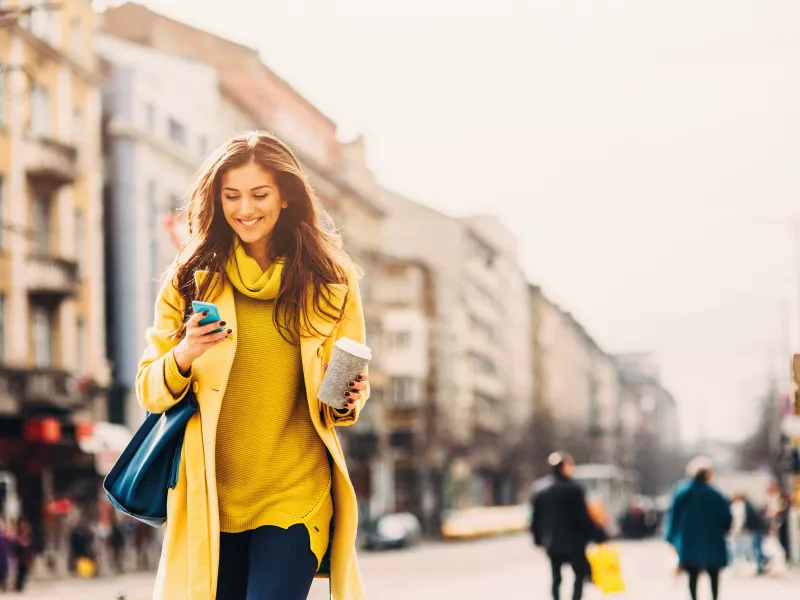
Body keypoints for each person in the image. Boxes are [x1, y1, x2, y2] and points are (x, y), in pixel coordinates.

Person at [135, 131, 370, 600]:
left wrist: (350, 398)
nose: (246, 208)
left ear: (285, 196)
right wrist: (185, 353)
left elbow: (342, 393)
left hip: (294, 495)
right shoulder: (190, 277)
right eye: (232, 196)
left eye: (259, 194)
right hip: (211, 498)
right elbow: (149, 390)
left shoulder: (330, 277)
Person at [531, 452, 607, 600]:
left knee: (556, 577)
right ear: (564, 467)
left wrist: (538, 539)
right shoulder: (574, 490)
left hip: (552, 542)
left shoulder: (541, 490)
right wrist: (598, 535)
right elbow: (583, 517)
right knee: (578, 576)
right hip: (575, 543)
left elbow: (536, 518)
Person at [664, 457, 732, 600]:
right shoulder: (715, 494)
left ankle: (694, 598)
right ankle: (714, 597)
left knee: (692, 574)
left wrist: (670, 537)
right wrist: (725, 529)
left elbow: (673, 516)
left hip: (689, 540)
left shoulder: (682, 493)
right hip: (712, 541)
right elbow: (726, 518)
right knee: (714, 574)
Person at [11, 519, 34, 593]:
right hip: (20, 557)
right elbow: (16, 546)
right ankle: (18, 586)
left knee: (24, 572)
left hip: (26, 557)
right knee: (20, 572)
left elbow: (31, 547)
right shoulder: (19, 536)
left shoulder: (29, 535)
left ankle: (20, 585)